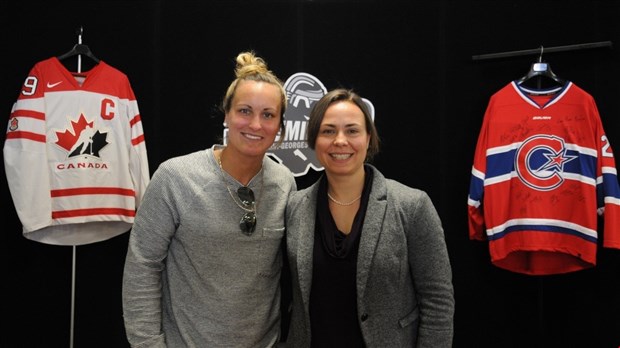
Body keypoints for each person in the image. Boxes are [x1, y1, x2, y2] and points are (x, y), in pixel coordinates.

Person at [122, 51, 297, 347]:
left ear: (280, 127)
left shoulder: (285, 184)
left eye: (268, 115)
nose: (255, 124)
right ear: (227, 113)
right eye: (245, 111)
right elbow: (143, 266)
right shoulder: (175, 177)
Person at [284, 89, 454, 347]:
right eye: (328, 131)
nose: (340, 141)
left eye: (352, 130)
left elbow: (437, 300)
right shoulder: (295, 207)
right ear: (314, 140)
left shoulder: (412, 205)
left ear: (368, 138)